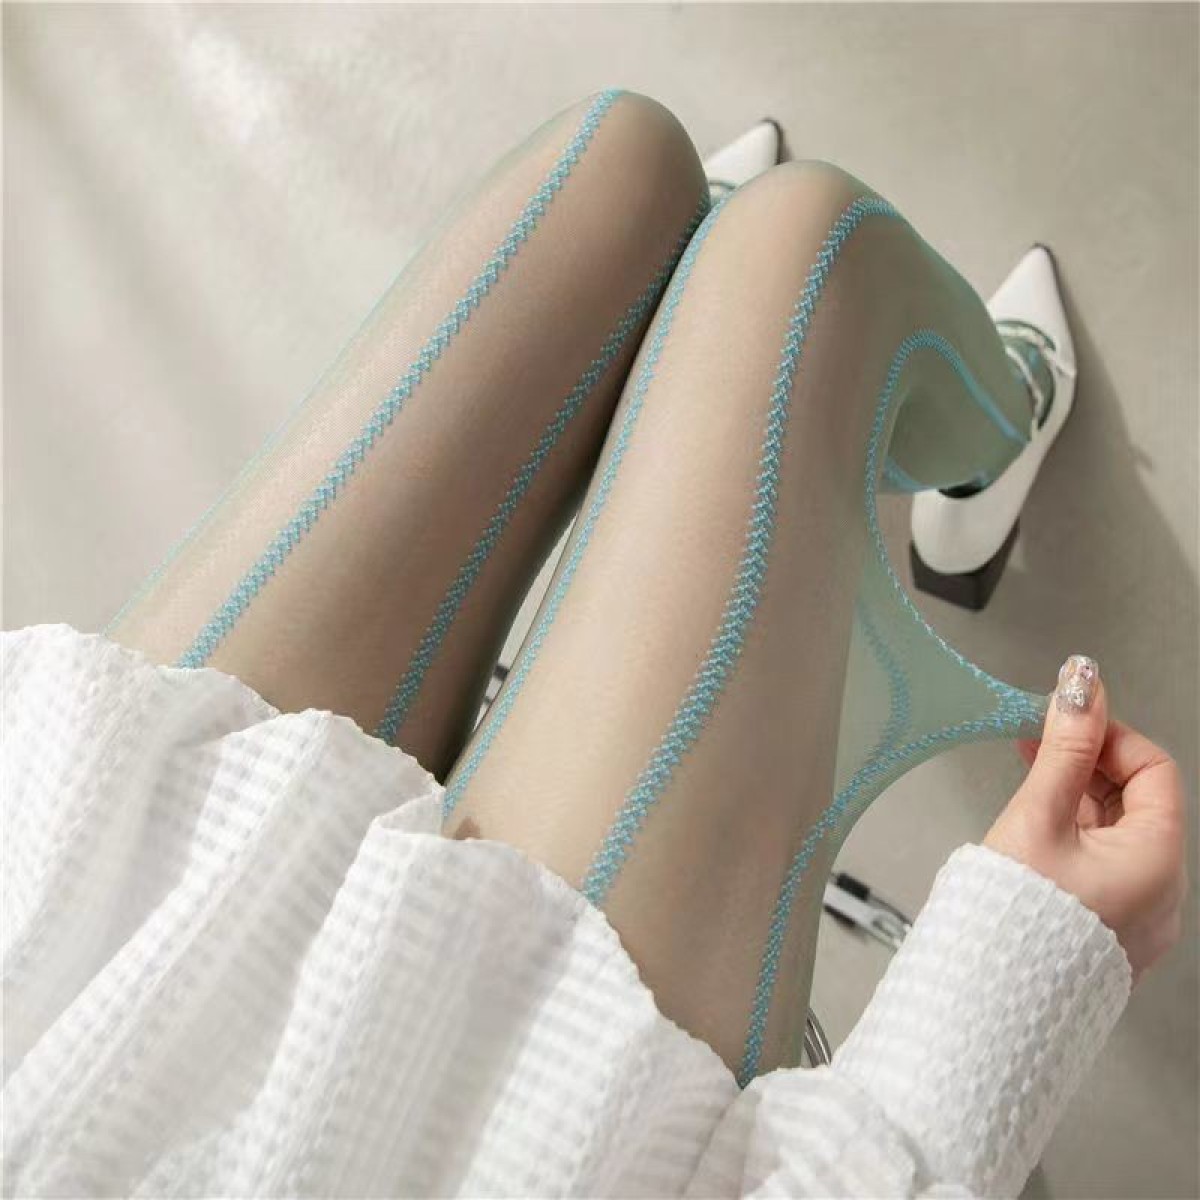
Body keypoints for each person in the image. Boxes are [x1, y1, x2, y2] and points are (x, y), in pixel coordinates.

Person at [1, 90, 1186, 1198]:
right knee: (806, 254)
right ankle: (992, 434)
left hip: (65, 986)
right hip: (500, 1124)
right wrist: (1018, 982)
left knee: (616, 163)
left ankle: (665, 338)